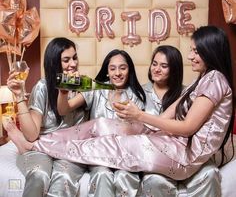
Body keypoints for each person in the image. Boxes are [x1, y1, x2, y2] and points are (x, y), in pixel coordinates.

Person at [5, 26, 235, 184]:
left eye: (196, 50)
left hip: (183, 154)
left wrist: (140, 117)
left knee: (112, 144)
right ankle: (39, 143)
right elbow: (169, 114)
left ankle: (35, 146)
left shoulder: (213, 79)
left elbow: (187, 128)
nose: (191, 55)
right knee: (103, 124)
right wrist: (143, 122)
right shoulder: (202, 79)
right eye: (112, 68)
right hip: (171, 140)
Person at [56, 49, 146, 197]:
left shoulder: (137, 96)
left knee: (125, 176)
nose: (117, 73)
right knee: (102, 174)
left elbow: (139, 133)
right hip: (98, 155)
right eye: (112, 68)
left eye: (123, 68)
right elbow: (64, 109)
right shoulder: (96, 89)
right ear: (107, 71)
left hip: (125, 155)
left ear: (129, 70)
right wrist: (63, 93)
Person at [6, 38, 88, 197]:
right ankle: (22, 143)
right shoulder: (43, 87)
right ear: (54, 63)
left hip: (70, 150)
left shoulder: (83, 85)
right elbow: (32, 134)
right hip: (43, 148)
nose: (73, 63)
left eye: (75, 58)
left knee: (62, 179)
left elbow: (66, 109)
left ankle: (21, 143)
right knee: (38, 177)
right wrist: (19, 96)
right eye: (66, 59)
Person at [137, 45, 221, 197]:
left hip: (187, 153)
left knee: (210, 173)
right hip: (156, 156)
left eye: (164, 66)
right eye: (154, 64)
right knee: (154, 180)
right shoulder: (138, 93)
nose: (156, 69)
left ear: (174, 69)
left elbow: (193, 127)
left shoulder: (190, 93)